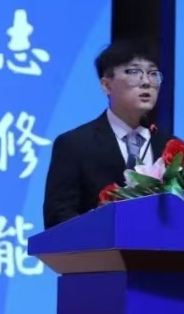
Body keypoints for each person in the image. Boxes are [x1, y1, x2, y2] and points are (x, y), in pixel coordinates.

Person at [43, 39, 175, 229]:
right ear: (106, 85)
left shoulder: (171, 147)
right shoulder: (74, 144)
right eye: (134, 72)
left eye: (153, 73)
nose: (146, 82)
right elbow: (58, 218)